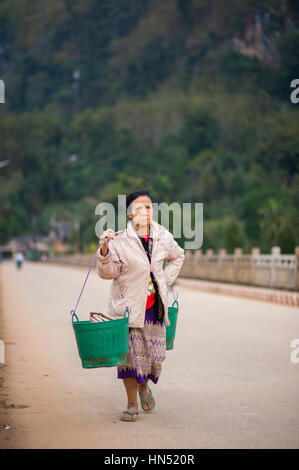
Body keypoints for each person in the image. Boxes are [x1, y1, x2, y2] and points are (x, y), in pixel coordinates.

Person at [96, 190, 185, 422]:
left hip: (154, 309)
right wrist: (104, 249)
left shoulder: (163, 236)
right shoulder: (119, 240)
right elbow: (106, 273)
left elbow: (179, 256)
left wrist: (165, 279)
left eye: (148, 207)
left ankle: (144, 386)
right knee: (129, 359)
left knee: (152, 360)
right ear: (130, 213)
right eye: (139, 207)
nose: (145, 211)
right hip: (128, 307)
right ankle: (132, 403)